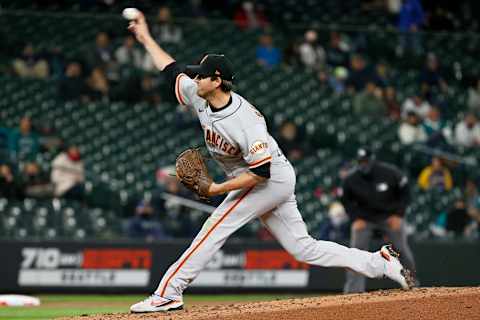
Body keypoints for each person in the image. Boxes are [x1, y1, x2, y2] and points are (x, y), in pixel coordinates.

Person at [127, 12, 414, 313]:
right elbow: (171, 70)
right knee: (304, 247)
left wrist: (217, 189)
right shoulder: (200, 95)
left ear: (217, 80)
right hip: (262, 175)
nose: (195, 78)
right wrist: (145, 36)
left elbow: (260, 173)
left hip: (268, 177)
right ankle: (378, 262)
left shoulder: (244, 120)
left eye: (201, 75)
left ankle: (169, 292)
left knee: (215, 226)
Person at [340, 147, 416, 293]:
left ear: (373, 160)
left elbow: (406, 192)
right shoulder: (351, 179)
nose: (364, 164)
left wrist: (399, 215)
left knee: (401, 249)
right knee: (356, 253)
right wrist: (355, 218)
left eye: (366, 161)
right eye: (361, 161)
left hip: (389, 217)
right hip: (365, 219)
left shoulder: (390, 173)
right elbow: (345, 201)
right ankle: (353, 292)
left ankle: (412, 283)